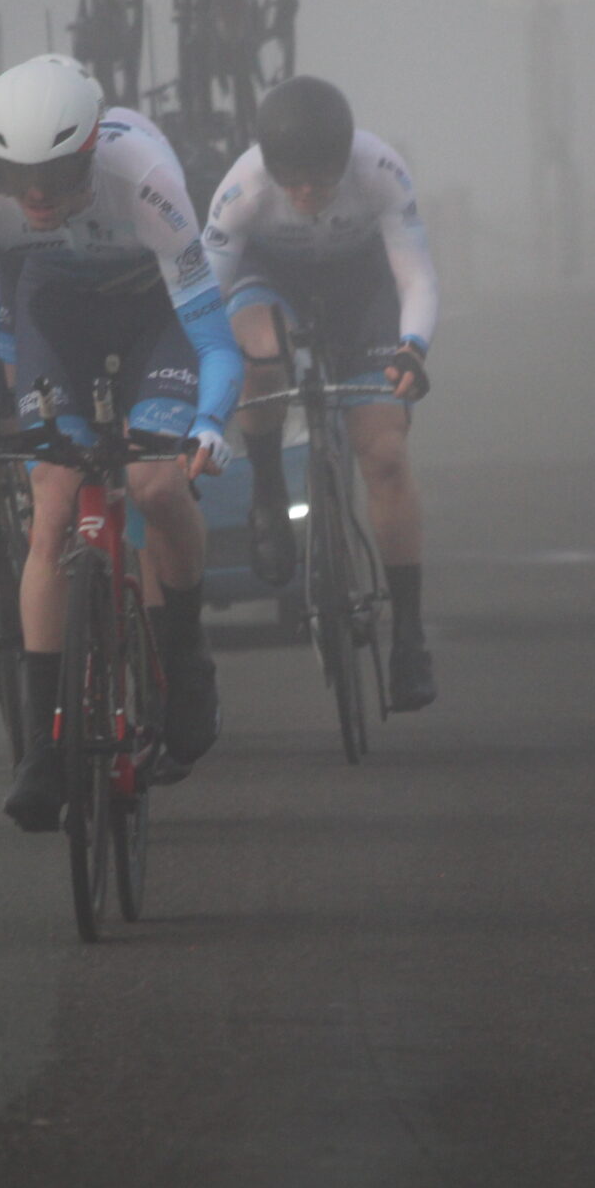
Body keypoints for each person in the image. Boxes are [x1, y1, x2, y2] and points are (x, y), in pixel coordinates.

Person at [0, 55, 241, 831]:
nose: (35, 197)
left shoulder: (147, 179)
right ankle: (43, 747)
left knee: (157, 484)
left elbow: (217, 343)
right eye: (17, 176)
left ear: (91, 152)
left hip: (155, 313)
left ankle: (185, 659)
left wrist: (210, 422)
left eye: (55, 177)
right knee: (53, 506)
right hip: (57, 312)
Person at [203, 76, 442, 711]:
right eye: (292, 179)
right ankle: (267, 492)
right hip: (270, 281)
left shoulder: (380, 170)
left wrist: (412, 348)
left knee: (384, 455)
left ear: (345, 158)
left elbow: (416, 278)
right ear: (270, 165)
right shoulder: (242, 188)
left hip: (362, 291)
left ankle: (409, 635)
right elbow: (202, 296)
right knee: (262, 356)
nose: (307, 192)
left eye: (322, 178)